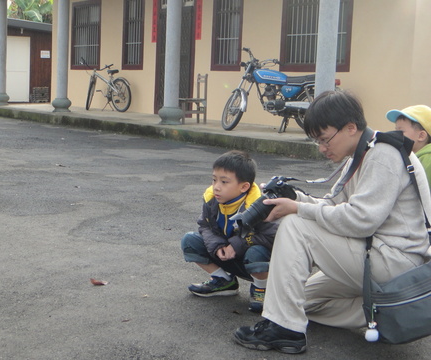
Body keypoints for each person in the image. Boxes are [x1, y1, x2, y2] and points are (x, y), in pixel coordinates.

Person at [233, 90, 431, 354]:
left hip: (396, 262)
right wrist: (295, 199)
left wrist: (298, 210)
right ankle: (385, 313)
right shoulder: (362, 154)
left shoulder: (384, 154)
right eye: (317, 141)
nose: (322, 148)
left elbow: (361, 220)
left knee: (296, 226)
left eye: (325, 139)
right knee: (297, 299)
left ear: (350, 128)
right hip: (374, 255)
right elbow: (332, 205)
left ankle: (285, 330)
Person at [181, 150, 278, 313]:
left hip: (257, 262)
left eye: (224, 182)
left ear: (244, 187)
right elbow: (204, 226)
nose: (216, 187)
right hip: (226, 254)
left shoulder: (259, 207)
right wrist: (218, 246)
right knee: (190, 241)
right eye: (214, 180)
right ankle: (224, 281)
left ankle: (261, 289)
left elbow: (270, 236)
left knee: (257, 251)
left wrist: (236, 245)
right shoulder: (211, 200)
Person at [387, 105, 431, 189]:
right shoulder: (409, 157)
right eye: (396, 130)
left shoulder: (428, 158)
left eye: (401, 131)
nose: (395, 134)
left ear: (421, 136)